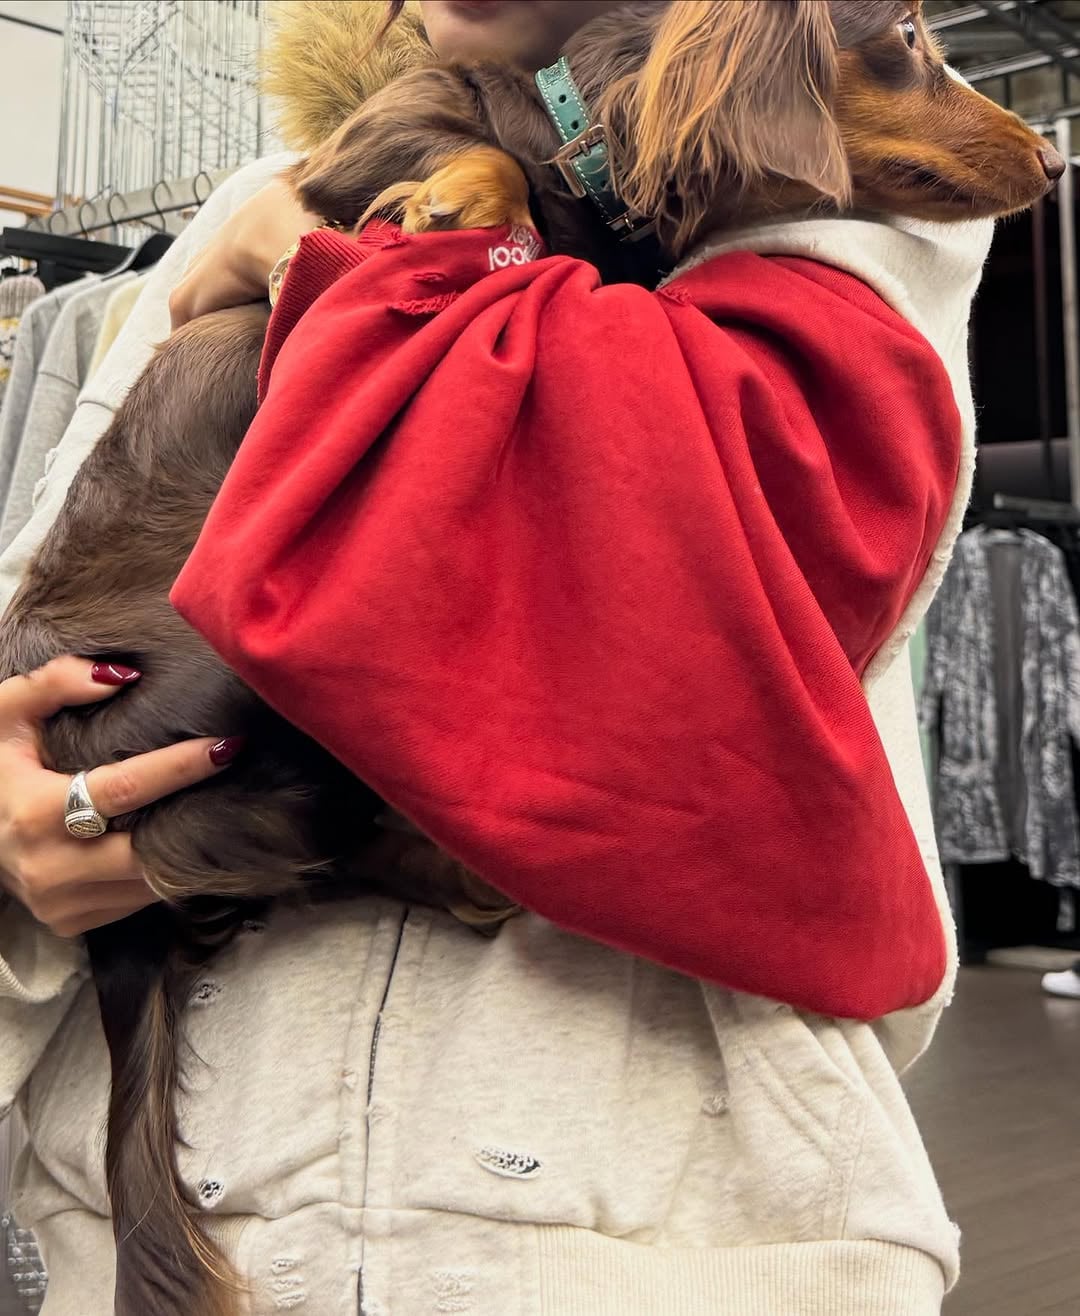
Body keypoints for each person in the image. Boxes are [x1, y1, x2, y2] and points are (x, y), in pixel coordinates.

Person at [0, 2, 990, 1311]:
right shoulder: (278, 193)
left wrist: (320, 272)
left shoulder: (842, 178)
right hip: (198, 1187)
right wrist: (16, 837)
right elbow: (62, 580)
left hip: (661, 1232)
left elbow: (647, 614)